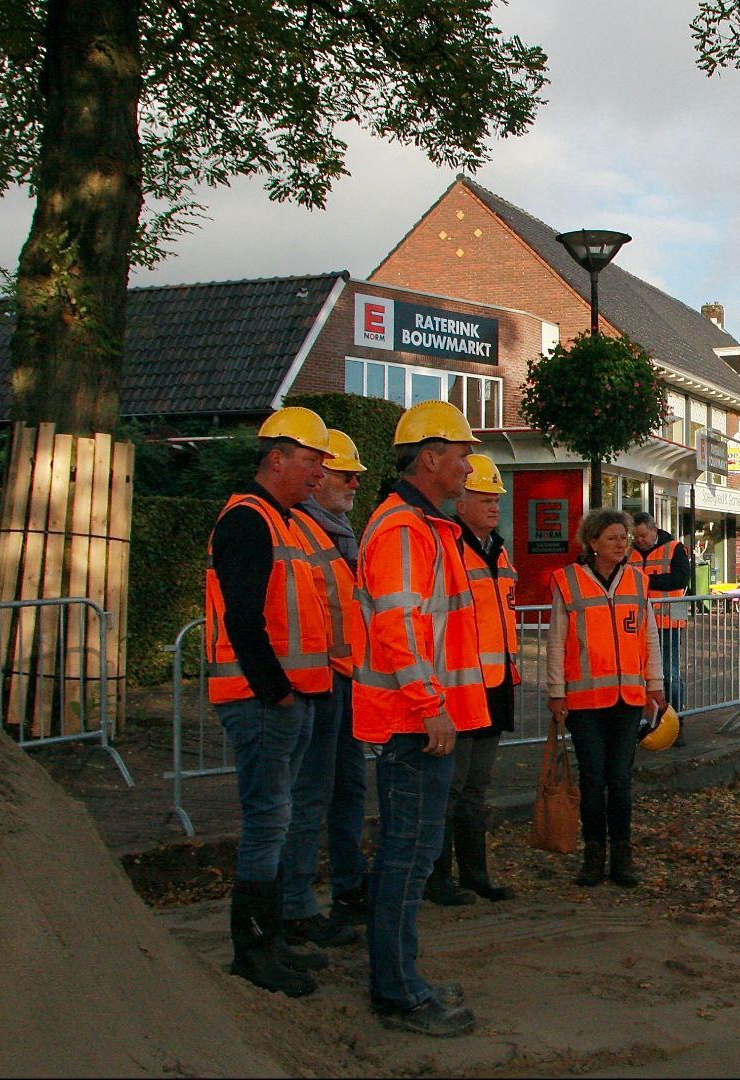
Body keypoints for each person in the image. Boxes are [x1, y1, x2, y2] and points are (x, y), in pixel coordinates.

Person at [354, 400, 488, 1037]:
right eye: (461, 455)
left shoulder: (422, 525)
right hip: (413, 723)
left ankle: (401, 978)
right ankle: (399, 993)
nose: (469, 466)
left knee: (411, 853)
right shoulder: (406, 529)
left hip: (420, 720)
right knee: (407, 856)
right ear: (429, 458)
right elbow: (398, 625)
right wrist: (431, 704)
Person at [205, 406, 335, 998]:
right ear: (276, 458)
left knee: (276, 822)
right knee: (268, 821)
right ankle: (253, 952)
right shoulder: (250, 521)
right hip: (264, 702)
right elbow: (242, 618)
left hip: (283, 700)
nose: (318, 474)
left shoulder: (280, 521)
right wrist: (277, 691)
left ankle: (271, 939)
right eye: (311, 462)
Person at [281, 428, 370, 948]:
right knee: (310, 795)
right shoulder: (303, 532)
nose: (353, 483)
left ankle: (348, 885)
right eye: (344, 474)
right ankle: (295, 904)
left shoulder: (339, 531)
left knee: (347, 790)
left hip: (343, 678)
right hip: (317, 683)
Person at [547, 508, 666, 889]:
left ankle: (622, 856)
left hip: (627, 698)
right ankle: (593, 855)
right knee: (593, 780)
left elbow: (649, 636)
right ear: (593, 542)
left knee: (620, 780)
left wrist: (655, 684)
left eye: (625, 537)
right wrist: (555, 692)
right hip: (584, 701)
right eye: (613, 537)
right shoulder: (567, 582)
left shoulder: (637, 581)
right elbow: (555, 642)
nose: (621, 544)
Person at [425, 455, 519, 906]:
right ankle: (438, 876)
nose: (494, 506)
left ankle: (474, 873)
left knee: (476, 787)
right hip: (460, 686)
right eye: (484, 498)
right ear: (460, 502)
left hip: (494, 684)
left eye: (496, 499)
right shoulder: (447, 546)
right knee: (452, 785)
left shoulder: (497, 549)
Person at [628, 511, 692, 712]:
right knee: (638, 674)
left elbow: (681, 579)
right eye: (635, 537)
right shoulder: (629, 552)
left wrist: (645, 581)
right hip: (636, 623)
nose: (639, 540)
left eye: (643, 536)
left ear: (654, 530)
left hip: (668, 622)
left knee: (669, 673)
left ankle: (675, 718)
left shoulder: (675, 548)